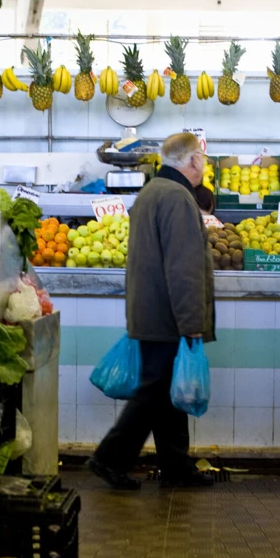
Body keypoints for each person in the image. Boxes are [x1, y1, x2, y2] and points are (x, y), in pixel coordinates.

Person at [88, 132, 215, 490]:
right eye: (202, 160)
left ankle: (176, 467)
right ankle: (108, 458)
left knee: (165, 395)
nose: (203, 166)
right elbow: (184, 267)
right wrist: (191, 322)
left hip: (151, 311)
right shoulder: (178, 199)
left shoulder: (153, 192)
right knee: (152, 395)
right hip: (167, 317)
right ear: (192, 161)